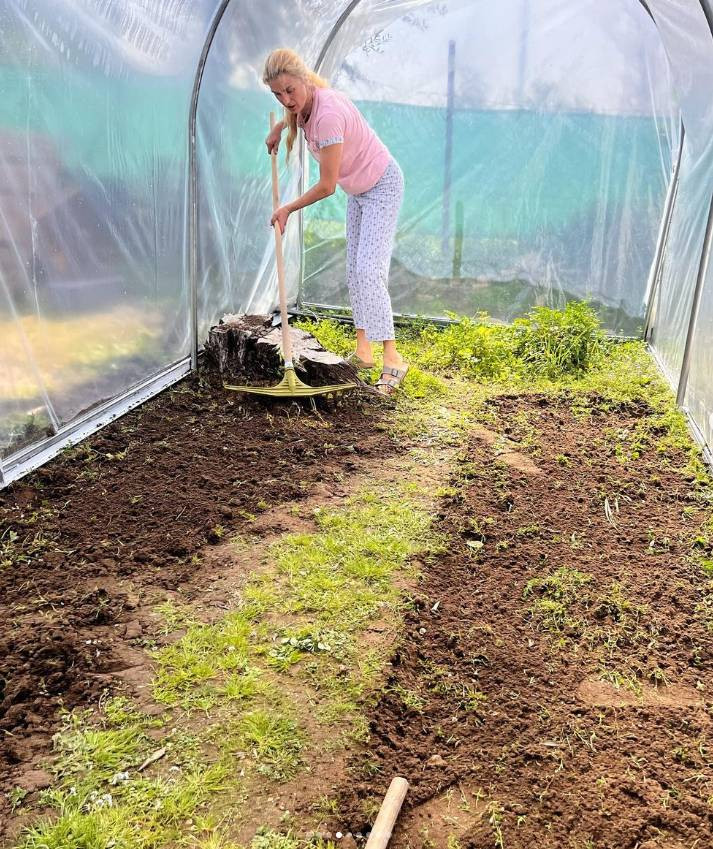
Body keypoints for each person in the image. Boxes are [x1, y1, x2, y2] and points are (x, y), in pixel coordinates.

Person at [262, 48, 408, 395]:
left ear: (304, 79)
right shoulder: (306, 103)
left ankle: (394, 358)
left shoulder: (326, 115)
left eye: (289, 90)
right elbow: (298, 109)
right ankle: (363, 350)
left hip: (382, 185)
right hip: (359, 190)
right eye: (277, 94)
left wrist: (287, 209)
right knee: (354, 271)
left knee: (369, 271)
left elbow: (327, 186)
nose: (286, 98)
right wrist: (280, 128)